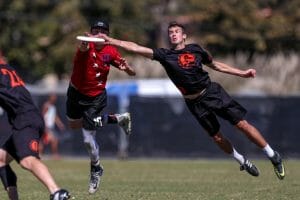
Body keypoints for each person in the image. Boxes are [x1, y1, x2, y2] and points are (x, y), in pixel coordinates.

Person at [96, 21, 285, 179]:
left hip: (212, 92)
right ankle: (242, 161)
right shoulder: (165, 55)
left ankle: (272, 155)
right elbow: (137, 48)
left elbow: (216, 65)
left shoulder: (196, 50)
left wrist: (242, 73)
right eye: (170, 32)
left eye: (177, 31)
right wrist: (111, 40)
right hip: (193, 102)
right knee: (217, 137)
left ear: (184, 36)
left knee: (241, 125)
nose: (173, 34)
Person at [66, 19, 136, 194]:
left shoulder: (110, 51)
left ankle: (96, 168)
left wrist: (127, 69)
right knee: (75, 125)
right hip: (75, 93)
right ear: (90, 33)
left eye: (102, 31)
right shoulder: (85, 47)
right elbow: (82, 49)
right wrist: (84, 42)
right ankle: (119, 119)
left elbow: (131, 71)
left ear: (107, 35)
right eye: (95, 30)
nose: (98, 34)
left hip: (96, 98)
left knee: (87, 140)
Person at [0, 54, 70, 199]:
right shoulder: (7, 68)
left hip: (24, 118)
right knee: (0, 159)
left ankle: (57, 192)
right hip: (27, 116)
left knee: (27, 160)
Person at [40, 94, 66, 159]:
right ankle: (54, 155)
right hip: (46, 127)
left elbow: (55, 117)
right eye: (53, 97)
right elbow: (43, 115)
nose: (55, 98)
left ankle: (40, 154)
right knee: (53, 140)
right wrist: (44, 126)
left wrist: (60, 124)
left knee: (46, 141)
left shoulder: (53, 107)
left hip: (51, 127)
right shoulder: (46, 105)